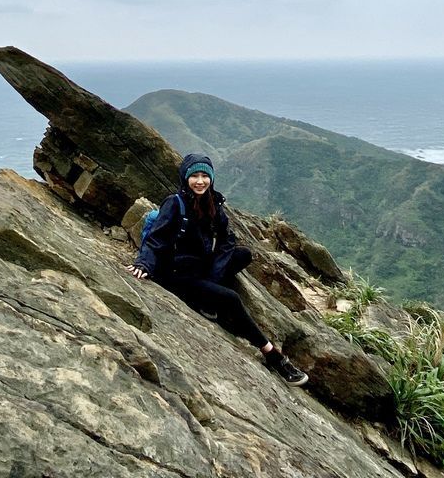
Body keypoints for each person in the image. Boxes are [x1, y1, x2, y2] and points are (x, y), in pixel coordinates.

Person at [125, 153, 309, 387]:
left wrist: (214, 274)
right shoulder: (175, 203)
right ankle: (273, 355)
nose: (200, 181)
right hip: (176, 273)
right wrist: (144, 264)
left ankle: (207, 298)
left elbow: (226, 239)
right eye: (195, 176)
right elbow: (155, 240)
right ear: (185, 178)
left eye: (205, 176)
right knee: (231, 299)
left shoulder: (212, 203)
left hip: (198, 267)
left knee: (244, 254)